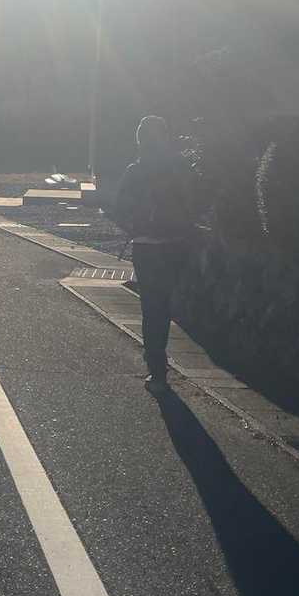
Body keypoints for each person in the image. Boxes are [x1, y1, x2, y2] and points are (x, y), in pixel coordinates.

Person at [114, 114, 196, 396]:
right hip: (176, 243)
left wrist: (134, 227)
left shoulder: (135, 171)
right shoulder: (180, 167)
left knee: (153, 308)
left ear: (140, 140)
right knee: (172, 302)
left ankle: (157, 370)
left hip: (146, 246)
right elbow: (194, 201)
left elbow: (119, 208)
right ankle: (165, 361)